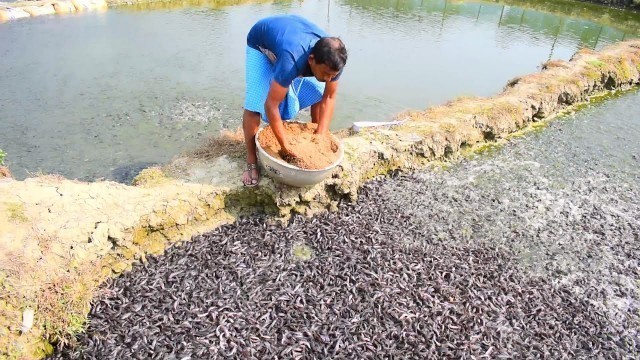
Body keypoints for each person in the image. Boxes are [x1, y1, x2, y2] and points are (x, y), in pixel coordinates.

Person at [241, 14, 348, 187]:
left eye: (333, 75)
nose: (330, 78)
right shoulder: (292, 58)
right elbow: (271, 105)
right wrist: (285, 147)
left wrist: (321, 134)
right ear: (311, 60)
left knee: (319, 90)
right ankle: (252, 161)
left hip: (290, 38)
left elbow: (329, 96)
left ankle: (316, 132)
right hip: (261, 44)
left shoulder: (335, 60)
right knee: (255, 103)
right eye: (326, 73)